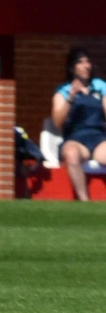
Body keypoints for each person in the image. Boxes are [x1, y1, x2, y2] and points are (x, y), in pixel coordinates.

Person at [52, 47, 106, 201]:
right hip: (76, 139)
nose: (86, 65)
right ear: (72, 67)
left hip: (99, 138)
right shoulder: (63, 91)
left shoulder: (100, 86)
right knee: (71, 154)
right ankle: (84, 200)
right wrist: (71, 97)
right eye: (80, 62)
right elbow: (57, 122)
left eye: (87, 61)